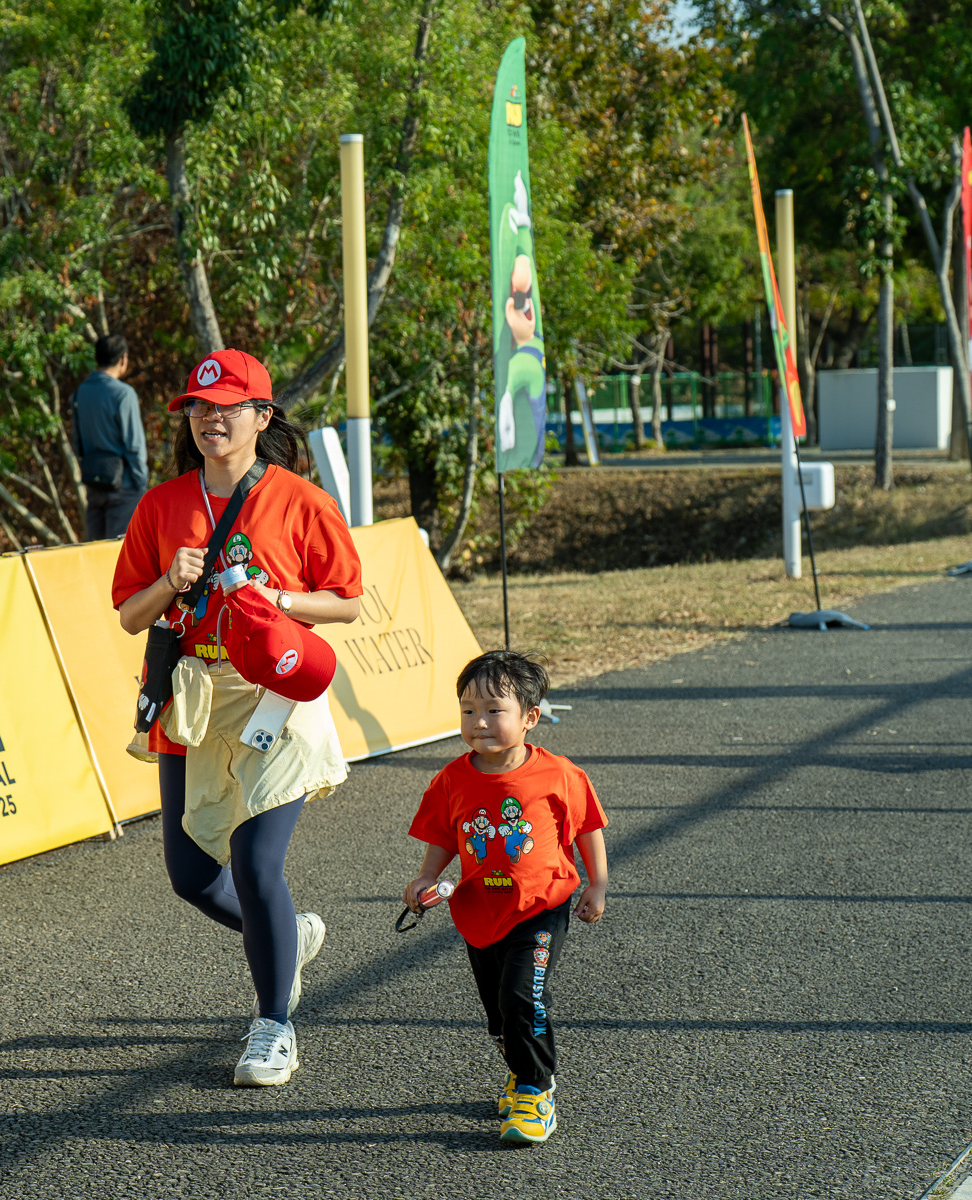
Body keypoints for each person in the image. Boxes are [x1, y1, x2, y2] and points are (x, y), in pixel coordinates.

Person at [112, 348, 363, 1087]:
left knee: (255, 867)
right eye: (198, 407)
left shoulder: (301, 501)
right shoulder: (160, 506)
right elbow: (130, 615)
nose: (209, 419)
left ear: (262, 416)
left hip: (274, 695)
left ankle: (273, 1026)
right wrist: (171, 579)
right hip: (192, 695)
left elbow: (347, 602)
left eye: (226, 407)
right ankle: (289, 933)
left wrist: (277, 599)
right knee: (191, 875)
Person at [403, 650, 610, 1144]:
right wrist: (426, 876)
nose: (480, 722)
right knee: (499, 1013)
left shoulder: (559, 774)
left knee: (522, 996)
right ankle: (520, 1069)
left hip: (542, 907)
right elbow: (445, 834)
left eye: (495, 710)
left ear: (530, 717)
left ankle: (537, 1090)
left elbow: (587, 827)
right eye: (468, 710)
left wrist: (597, 883)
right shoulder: (452, 779)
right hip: (480, 911)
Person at [74, 332, 148, 539]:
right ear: (123, 359)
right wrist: (140, 484)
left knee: (95, 550)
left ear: (96, 358)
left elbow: (77, 442)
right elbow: (134, 446)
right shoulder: (123, 394)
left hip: (94, 483)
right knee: (120, 552)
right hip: (124, 487)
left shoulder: (81, 392)